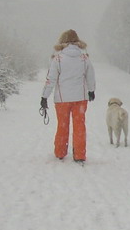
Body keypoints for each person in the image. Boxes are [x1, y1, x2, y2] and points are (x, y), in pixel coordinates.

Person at [40, 29, 96, 163]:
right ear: (78, 42)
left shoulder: (58, 59)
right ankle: (80, 155)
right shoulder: (84, 58)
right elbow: (90, 76)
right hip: (80, 99)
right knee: (79, 126)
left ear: (62, 41)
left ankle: (60, 152)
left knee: (62, 125)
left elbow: (51, 79)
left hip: (62, 99)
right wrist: (91, 91)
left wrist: (44, 97)